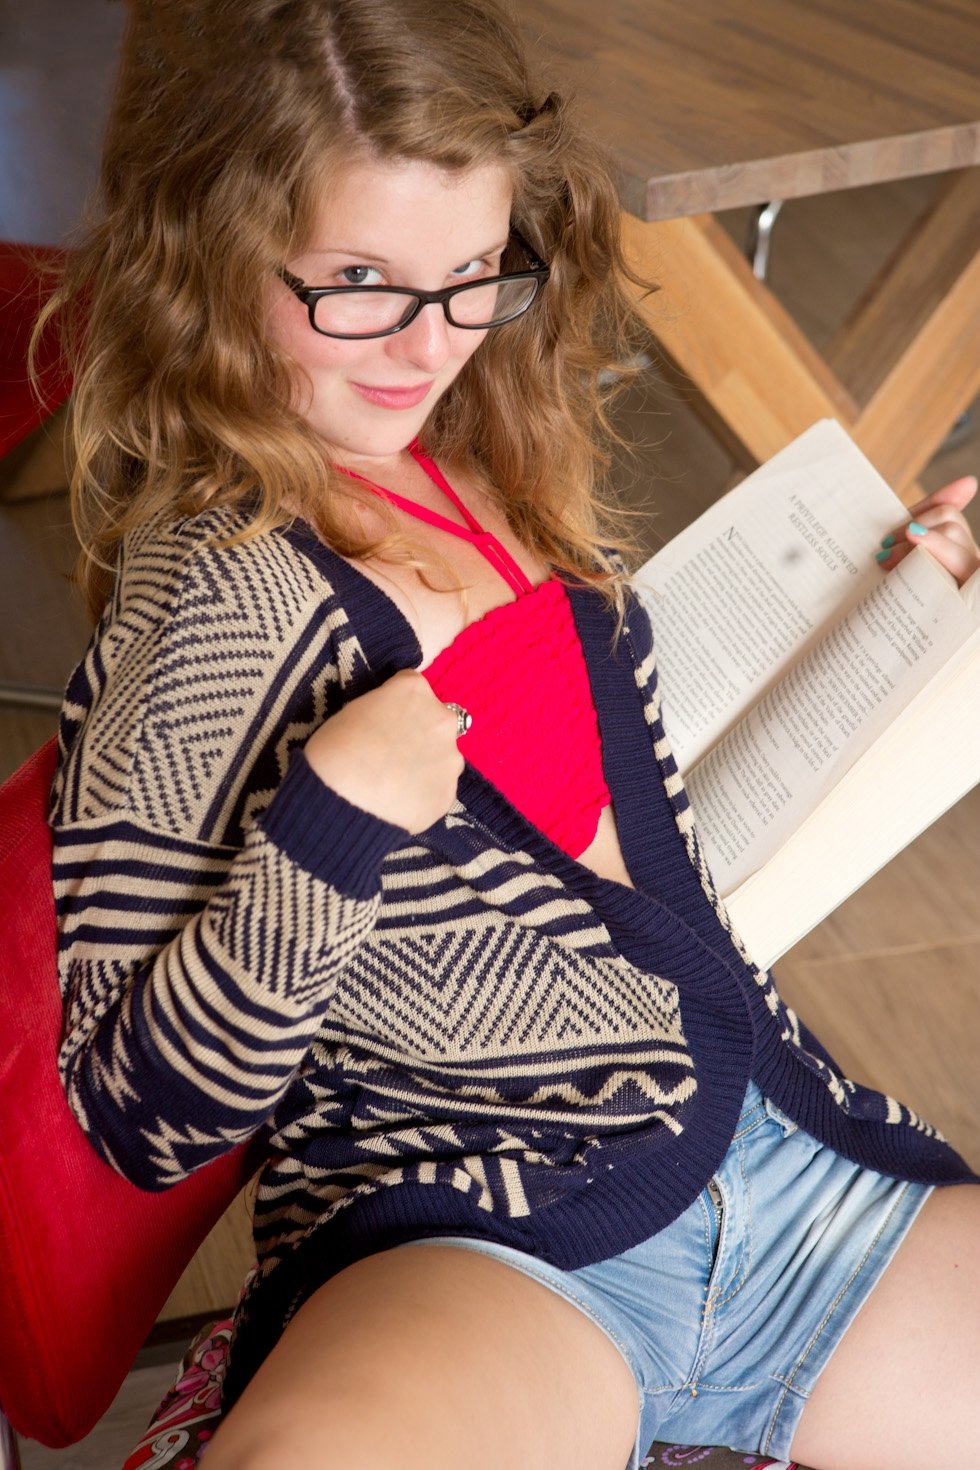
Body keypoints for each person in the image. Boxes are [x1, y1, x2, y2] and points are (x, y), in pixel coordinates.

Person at [42, 2, 980, 1467]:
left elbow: (633, 879)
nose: (429, 344)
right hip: (488, 1230)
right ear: (221, 254)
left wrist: (894, 621)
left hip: (779, 1161)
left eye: (472, 275)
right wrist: (327, 827)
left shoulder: (479, 468)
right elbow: (142, 1107)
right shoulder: (213, 599)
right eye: (360, 282)